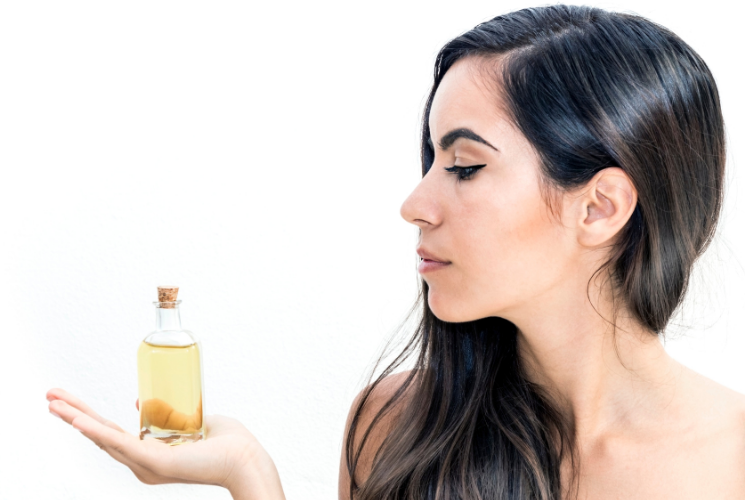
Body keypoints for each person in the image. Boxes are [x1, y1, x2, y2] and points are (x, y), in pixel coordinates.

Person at [46, 5, 745, 499]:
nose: (414, 204)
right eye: (430, 162)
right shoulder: (397, 426)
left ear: (599, 207)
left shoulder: (731, 460)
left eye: (464, 167)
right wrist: (248, 475)